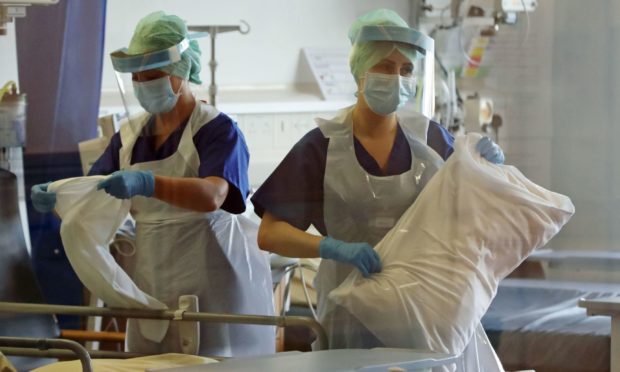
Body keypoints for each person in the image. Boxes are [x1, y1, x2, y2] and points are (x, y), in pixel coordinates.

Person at [251, 9, 504, 349]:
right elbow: (270, 234)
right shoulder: (322, 145)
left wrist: (488, 170)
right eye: (385, 67)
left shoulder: (431, 139)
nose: (396, 78)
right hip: (347, 310)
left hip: (422, 308)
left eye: (406, 69)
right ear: (360, 72)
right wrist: (330, 248)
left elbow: (472, 214)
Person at [30, 11, 274, 357]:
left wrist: (147, 183)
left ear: (181, 72)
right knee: (151, 361)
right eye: (138, 77)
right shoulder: (129, 137)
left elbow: (214, 195)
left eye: (153, 75)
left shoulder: (217, 130)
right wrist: (58, 196)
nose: (144, 83)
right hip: (154, 282)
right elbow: (91, 196)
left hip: (217, 280)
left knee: (216, 360)